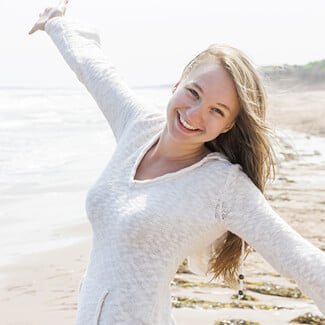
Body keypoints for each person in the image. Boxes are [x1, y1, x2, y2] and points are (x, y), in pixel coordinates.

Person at [29, 1, 325, 324]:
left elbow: (299, 258)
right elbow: (93, 68)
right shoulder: (137, 126)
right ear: (177, 84)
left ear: (227, 125)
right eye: (194, 93)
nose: (194, 114)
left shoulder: (222, 186)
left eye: (217, 110)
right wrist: (56, 24)